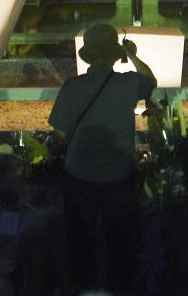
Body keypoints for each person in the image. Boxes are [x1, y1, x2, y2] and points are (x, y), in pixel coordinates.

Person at [48, 23, 157, 295]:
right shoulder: (128, 83)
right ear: (114, 54)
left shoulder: (72, 87)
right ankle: (119, 286)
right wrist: (131, 55)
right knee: (120, 240)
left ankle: (82, 285)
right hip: (118, 173)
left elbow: (60, 132)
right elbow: (150, 80)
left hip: (79, 173)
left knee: (80, 239)